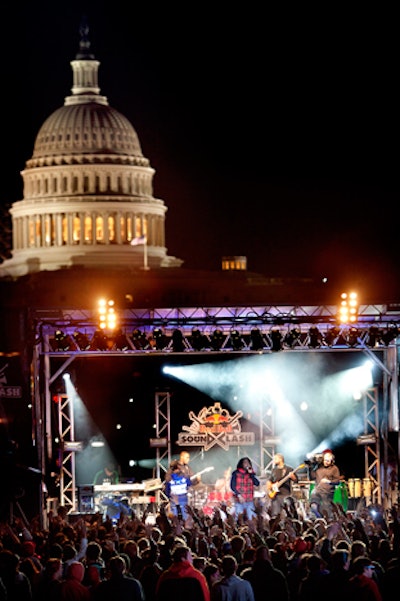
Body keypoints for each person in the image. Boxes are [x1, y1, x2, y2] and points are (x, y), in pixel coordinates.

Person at [309, 449, 343, 518]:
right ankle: (319, 518)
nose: (326, 462)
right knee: (313, 507)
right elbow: (312, 477)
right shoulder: (319, 467)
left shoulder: (334, 468)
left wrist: (329, 481)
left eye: (328, 461)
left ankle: (326, 521)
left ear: (332, 461)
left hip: (327, 493)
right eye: (325, 460)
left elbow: (337, 481)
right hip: (318, 491)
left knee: (326, 511)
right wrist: (310, 467)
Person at [266, 453, 299, 519]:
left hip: (286, 495)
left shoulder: (289, 469)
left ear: (280, 459)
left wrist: (293, 477)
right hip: (276, 496)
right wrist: (271, 486)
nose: (274, 460)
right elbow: (269, 481)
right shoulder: (274, 470)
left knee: (289, 513)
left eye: (275, 459)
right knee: (275, 515)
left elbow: (296, 480)